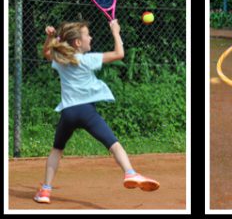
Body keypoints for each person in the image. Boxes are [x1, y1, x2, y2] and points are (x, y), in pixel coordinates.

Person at [35, 19, 159, 204]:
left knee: (57, 150)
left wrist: (49, 37)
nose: (90, 37)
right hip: (86, 112)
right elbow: (119, 53)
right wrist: (116, 31)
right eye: (87, 35)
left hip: (68, 113)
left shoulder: (61, 60)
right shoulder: (87, 59)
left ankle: (45, 191)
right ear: (78, 43)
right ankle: (130, 173)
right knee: (113, 144)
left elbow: (46, 52)